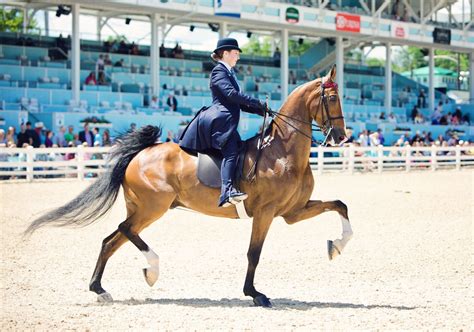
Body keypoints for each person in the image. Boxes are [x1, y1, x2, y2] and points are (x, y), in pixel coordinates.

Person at [179, 38, 267, 207]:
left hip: (226, 119)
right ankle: (226, 191)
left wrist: (262, 110)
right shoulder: (219, 71)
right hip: (219, 120)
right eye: (236, 53)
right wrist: (256, 102)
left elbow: (238, 103)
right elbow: (231, 95)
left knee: (240, 149)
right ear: (225, 53)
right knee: (231, 151)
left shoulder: (229, 73)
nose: (238, 57)